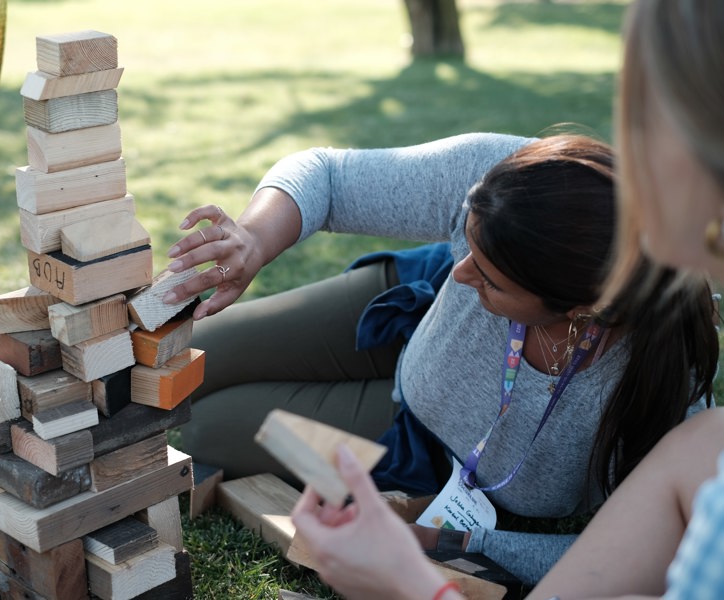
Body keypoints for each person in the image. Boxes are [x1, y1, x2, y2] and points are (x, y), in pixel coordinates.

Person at [214, 0, 724, 597]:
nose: (463, 275)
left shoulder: (657, 396)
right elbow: (325, 176)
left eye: (490, 277)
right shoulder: (509, 181)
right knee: (194, 355)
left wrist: (462, 542)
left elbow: (633, 549)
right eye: (471, 250)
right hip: (404, 313)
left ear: (579, 313)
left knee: (201, 426)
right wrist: (252, 238)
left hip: (420, 450)